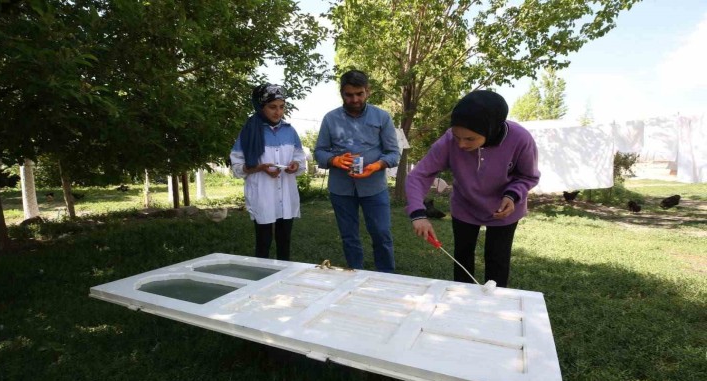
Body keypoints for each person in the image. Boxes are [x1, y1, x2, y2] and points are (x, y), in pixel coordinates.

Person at [405, 90, 540, 287]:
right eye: (457, 136)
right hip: (465, 206)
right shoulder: (450, 140)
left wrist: (513, 195)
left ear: (491, 129)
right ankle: (463, 303)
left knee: (497, 260)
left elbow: (528, 176)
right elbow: (420, 174)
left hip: (504, 211)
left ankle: (494, 305)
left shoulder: (520, 139)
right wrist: (418, 213)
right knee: (463, 258)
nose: (461, 144)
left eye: (470, 139)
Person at [314, 70, 400, 272]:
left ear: (367, 91)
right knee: (349, 235)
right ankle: (355, 274)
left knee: (381, 233)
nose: (354, 99)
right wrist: (334, 160)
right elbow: (319, 152)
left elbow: (393, 153)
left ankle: (387, 277)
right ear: (341, 93)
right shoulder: (330, 119)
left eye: (359, 94)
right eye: (349, 94)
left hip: (374, 187)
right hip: (341, 189)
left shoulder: (382, 117)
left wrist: (376, 166)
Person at [230, 83, 306, 261]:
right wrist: (260, 168)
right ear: (260, 106)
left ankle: (284, 278)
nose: (278, 112)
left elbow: (299, 157)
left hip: (286, 194)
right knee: (263, 242)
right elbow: (237, 166)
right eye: (272, 107)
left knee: (284, 241)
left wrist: (295, 164)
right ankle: (261, 279)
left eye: (281, 107)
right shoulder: (249, 131)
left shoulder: (290, 131)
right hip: (262, 195)